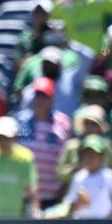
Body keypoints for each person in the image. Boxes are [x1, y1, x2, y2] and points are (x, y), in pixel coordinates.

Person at [16, 77, 71, 208]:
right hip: (24, 195)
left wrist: (62, 193)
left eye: (44, 96)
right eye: (37, 95)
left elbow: (66, 158)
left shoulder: (62, 122)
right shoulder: (20, 120)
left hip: (52, 196)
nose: (40, 100)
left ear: (52, 98)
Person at [56, 104, 112, 184]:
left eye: (94, 124)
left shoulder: (107, 147)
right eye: (87, 123)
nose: (90, 127)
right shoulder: (72, 146)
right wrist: (76, 169)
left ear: (100, 127)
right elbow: (60, 172)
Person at [64, 134, 112, 219]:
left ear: (102, 156)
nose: (90, 158)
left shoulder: (110, 176)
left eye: (94, 154)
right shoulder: (78, 177)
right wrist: (79, 203)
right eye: (87, 155)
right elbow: (71, 205)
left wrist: (111, 223)